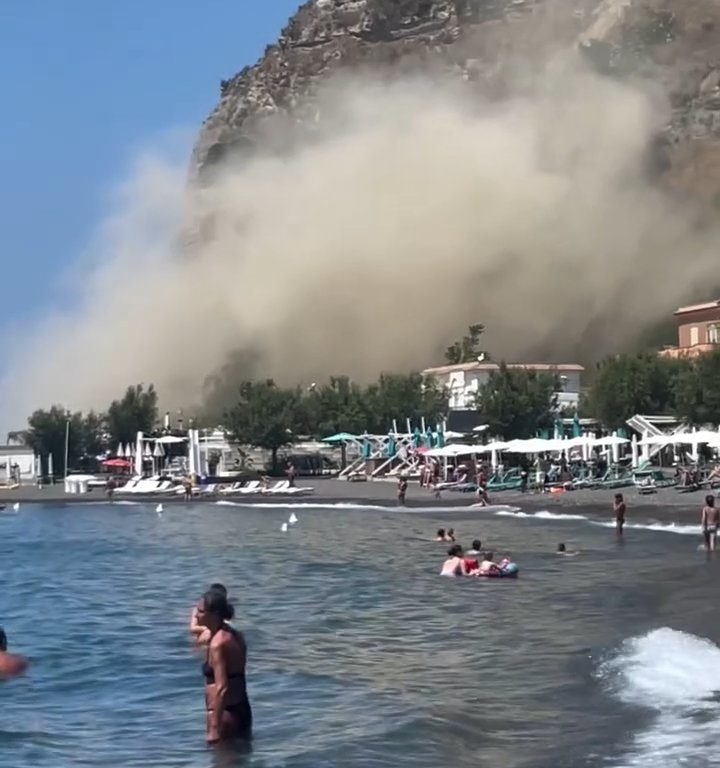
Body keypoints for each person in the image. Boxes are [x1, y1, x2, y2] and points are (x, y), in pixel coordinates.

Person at [196, 589, 252, 744]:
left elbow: (222, 687)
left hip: (224, 715)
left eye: (201, 611)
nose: (196, 615)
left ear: (214, 614)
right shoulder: (235, 635)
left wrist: (214, 726)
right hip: (241, 708)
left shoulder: (218, 643)